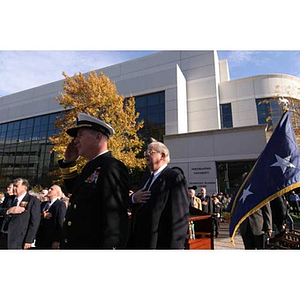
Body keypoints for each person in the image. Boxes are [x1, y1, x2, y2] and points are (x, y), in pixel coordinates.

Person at [58, 113, 130, 249]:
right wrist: (69, 162)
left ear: (98, 137)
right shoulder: (91, 166)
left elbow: (114, 219)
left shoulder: (111, 166)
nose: (75, 141)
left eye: (80, 135)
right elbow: (74, 190)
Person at [128, 141, 189, 249]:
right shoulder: (145, 178)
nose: (146, 154)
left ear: (163, 155)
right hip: (138, 242)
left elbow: (179, 216)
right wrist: (133, 198)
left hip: (158, 243)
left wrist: (175, 248)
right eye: (145, 151)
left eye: (150, 151)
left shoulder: (173, 178)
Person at [0, 178, 41, 249]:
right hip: (4, 235)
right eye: (14, 186)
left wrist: (29, 240)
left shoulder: (32, 201)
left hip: (19, 237)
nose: (14, 188)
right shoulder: (9, 199)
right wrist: (9, 211)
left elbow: (34, 222)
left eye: (16, 186)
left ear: (24, 187)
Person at [35, 185, 67, 249]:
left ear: (57, 193)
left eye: (52, 189)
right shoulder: (44, 204)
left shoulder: (60, 205)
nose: (49, 190)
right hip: (41, 237)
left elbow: (60, 222)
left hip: (51, 238)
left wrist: (57, 240)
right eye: (49, 188)